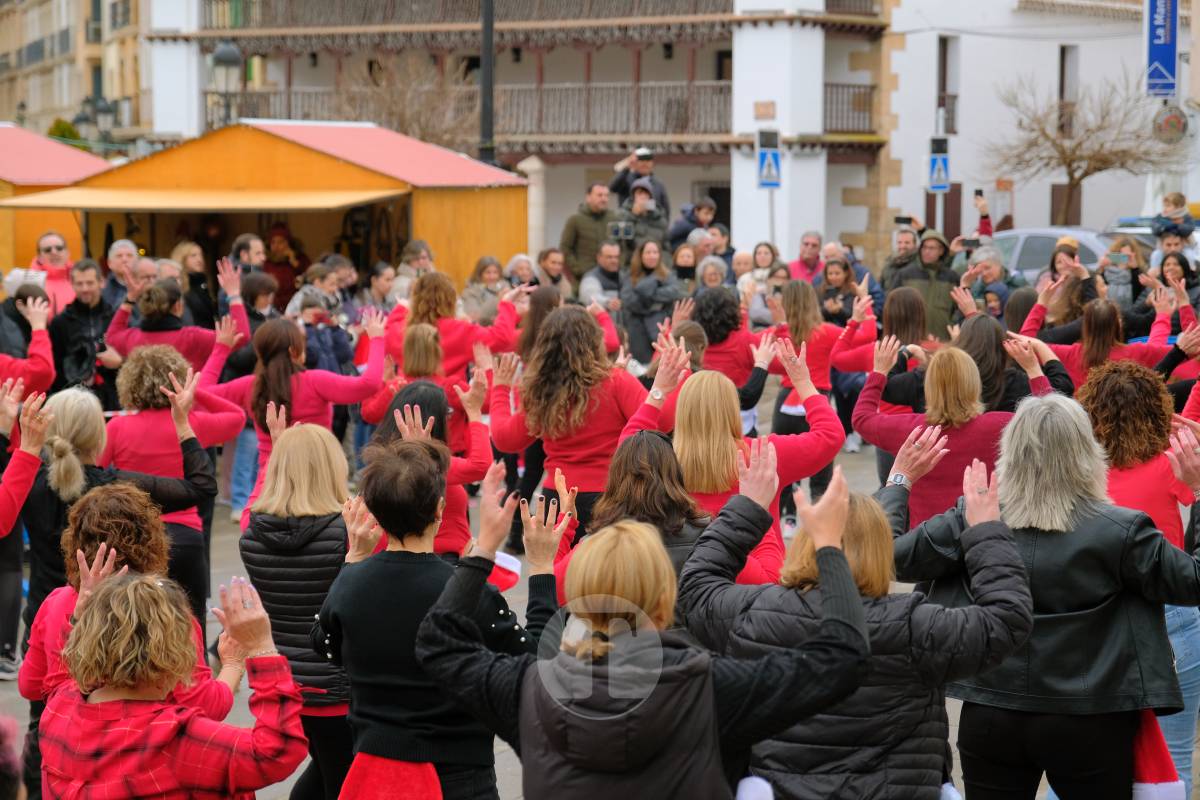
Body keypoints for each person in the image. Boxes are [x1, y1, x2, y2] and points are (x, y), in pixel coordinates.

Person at [414, 442, 871, 800]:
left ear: (578, 598)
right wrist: (828, 546)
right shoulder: (710, 689)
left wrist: (484, 547)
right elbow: (842, 658)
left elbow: (437, 641)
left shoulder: (528, 689)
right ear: (664, 601)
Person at [679, 435, 1033, 799]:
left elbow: (695, 588)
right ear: (882, 552)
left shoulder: (755, 614)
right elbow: (1007, 620)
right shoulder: (910, 626)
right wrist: (985, 532)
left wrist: (750, 504)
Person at [888, 396, 1200, 798]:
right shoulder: (1123, 531)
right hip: (1092, 716)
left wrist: (900, 480)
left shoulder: (975, 516)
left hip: (991, 710)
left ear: (1010, 453)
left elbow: (890, 557)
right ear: (1087, 452)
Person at [311, 448, 542, 800]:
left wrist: (354, 558)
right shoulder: (465, 591)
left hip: (377, 769)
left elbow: (324, 644)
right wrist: (542, 568)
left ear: (374, 510)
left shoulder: (352, 581)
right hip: (459, 773)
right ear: (439, 509)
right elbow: (537, 659)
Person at [20, 485, 243, 795]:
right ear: (151, 541)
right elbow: (207, 707)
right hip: (146, 775)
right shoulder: (167, 616)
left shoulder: (56, 602)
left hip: (70, 765)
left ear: (76, 543)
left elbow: (30, 686)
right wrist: (232, 662)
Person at [40, 574, 307, 796]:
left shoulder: (58, 709)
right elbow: (277, 752)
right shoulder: (175, 739)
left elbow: (65, 678)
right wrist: (261, 647)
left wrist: (82, 622)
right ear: (175, 648)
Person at [625, 341, 844, 583]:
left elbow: (627, 447)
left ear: (682, 410)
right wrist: (802, 382)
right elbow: (831, 436)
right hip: (759, 579)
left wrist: (658, 393)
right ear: (732, 410)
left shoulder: (661, 459)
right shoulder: (764, 454)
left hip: (686, 577)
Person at [243, 422, 354, 800]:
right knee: (341, 779)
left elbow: (255, 502)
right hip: (338, 684)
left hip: (289, 681)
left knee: (324, 770)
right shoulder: (348, 534)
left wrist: (275, 448)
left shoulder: (251, 534)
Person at [198, 311, 387, 529]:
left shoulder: (251, 386)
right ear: (294, 350)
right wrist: (377, 338)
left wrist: (221, 348)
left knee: (255, 531)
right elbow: (368, 384)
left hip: (271, 480)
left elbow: (201, 394)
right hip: (319, 478)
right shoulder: (315, 381)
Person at [99, 347, 244, 620]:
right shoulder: (192, 423)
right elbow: (237, 417)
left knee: (136, 621)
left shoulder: (117, 427)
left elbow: (97, 473)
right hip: (186, 534)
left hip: (135, 533)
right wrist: (193, 392)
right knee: (191, 623)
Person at [490, 306, 647, 542]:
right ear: (594, 341)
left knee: (556, 575)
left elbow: (505, 439)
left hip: (558, 498)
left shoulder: (542, 392)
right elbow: (661, 422)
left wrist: (500, 389)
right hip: (611, 495)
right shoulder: (617, 381)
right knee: (611, 576)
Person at [855, 339, 1049, 526]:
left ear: (929, 387)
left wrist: (879, 372)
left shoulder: (910, 431)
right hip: (983, 535)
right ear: (974, 383)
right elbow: (1050, 418)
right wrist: (1033, 369)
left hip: (927, 541)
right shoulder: (998, 425)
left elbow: (861, 418)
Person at [372, 372, 490, 559]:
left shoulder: (385, 459)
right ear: (434, 420)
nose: (449, 419)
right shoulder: (426, 463)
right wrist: (474, 412)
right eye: (447, 414)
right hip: (441, 560)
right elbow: (480, 466)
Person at [884, 315, 1074, 414]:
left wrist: (906, 352)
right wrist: (1040, 348)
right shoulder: (1011, 382)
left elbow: (887, 387)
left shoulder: (929, 378)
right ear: (1000, 348)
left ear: (961, 341)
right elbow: (1061, 392)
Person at [106, 261, 251, 372]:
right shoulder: (193, 338)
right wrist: (234, 294)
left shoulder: (134, 338)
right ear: (178, 306)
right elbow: (241, 336)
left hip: (144, 409)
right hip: (185, 409)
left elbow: (112, 336)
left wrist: (130, 299)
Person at [1020, 286, 1179, 387]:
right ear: (1118, 324)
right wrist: (1163, 316)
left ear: (1085, 326)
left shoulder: (1067, 354)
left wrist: (1041, 304)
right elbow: (1160, 349)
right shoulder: (1136, 352)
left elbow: (1024, 343)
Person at [384, 271, 520, 382]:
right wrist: (506, 304)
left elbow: (385, 334)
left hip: (406, 404)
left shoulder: (400, 330)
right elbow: (501, 337)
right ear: (451, 300)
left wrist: (400, 309)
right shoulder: (460, 330)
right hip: (450, 406)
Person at [48, 260, 119, 409]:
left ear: (101, 282)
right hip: (74, 401)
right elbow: (55, 367)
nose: (85, 288)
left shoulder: (116, 318)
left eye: (90, 283)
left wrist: (120, 361)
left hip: (113, 399)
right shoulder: (60, 323)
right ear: (72, 284)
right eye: (79, 284)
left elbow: (132, 356)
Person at [888, 229, 959, 339]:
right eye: (924, 247)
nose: (926, 251)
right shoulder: (905, 274)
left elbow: (958, 308)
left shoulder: (952, 277)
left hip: (943, 340)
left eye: (931, 248)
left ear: (941, 250)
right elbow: (892, 306)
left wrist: (951, 326)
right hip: (911, 339)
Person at [622, 239, 682, 364]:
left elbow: (673, 292)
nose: (652, 256)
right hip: (637, 329)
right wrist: (655, 303)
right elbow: (629, 300)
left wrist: (645, 292)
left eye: (655, 252)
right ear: (641, 255)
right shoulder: (630, 275)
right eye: (648, 252)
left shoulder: (667, 275)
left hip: (661, 327)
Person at [559, 183, 620, 281]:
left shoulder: (614, 219)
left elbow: (622, 245)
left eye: (606, 196)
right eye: (599, 195)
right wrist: (577, 269)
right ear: (588, 197)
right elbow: (565, 248)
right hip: (584, 277)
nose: (604, 199)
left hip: (611, 276)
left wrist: (618, 265)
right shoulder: (575, 220)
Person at [616, 178, 669, 266]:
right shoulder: (622, 215)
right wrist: (633, 216)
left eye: (646, 193)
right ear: (633, 197)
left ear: (651, 197)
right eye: (639, 193)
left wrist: (664, 264)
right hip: (631, 265)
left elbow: (666, 247)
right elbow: (619, 240)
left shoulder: (659, 218)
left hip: (656, 264)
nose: (643, 197)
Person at [609, 146, 670, 219]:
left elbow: (665, 209)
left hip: (652, 226)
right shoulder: (626, 179)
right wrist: (627, 168)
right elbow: (613, 188)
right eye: (641, 161)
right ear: (635, 163)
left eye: (648, 161)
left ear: (652, 163)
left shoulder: (658, 184)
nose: (644, 164)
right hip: (629, 224)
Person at [262, 223, 311, 312]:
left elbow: (310, 279)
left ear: (288, 243)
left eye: (280, 242)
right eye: (273, 242)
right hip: (272, 308)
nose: (276, 247)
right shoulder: (265, 262)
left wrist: (295, 263)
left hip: (296, 308)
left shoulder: (301, 259)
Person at [578, 241, 629, 326]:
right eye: (609, 257)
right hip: (600, 330)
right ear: (599, 258)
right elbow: (591, 297)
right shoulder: (590, 278)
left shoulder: (625, 277)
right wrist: (607, 302)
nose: (614, 260)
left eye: (616, 257)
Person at [171, 240, 217, 330]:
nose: (199, 259)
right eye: (193, 255)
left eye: (201, 255)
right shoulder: (177, 284)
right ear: (182, 258)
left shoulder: (203, 283)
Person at [27, 231, 74, 315]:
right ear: (39, 257)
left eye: (59, 248)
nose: (54, 252)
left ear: (67, 253)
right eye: (47, 250)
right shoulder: (30, 284)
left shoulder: (80, 280)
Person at [1098, 235, 1148, 310]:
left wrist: (1135, 269)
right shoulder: (1107, 272)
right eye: (1119, 255)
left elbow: (1140, 296)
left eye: (1127, 256)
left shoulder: (1138, 273)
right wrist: (1102, 269)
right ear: (1113, 254)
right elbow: (1097, 291)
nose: (1123, 259)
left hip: (1130, 317)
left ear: (1134, 255)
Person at [459, 256, 506, 325]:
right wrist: (497, 299)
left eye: (495, 272)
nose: (492, 277)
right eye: (488, 272)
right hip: (482, 330)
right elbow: (475, 316)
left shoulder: (505, 287)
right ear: (479, 274)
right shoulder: (470, 292)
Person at [816, 256, 857, 325]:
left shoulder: (853, 291)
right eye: (830, 274)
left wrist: (839, 310)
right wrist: (826, 309)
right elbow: (814, 314)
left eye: (837, 273)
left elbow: (852, 315)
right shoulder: (820, 291)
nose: (833, 277)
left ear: (846, 273)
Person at [100, 239, 138, 310]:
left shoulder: (145, 286)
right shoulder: (102, 289)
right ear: (109, 263)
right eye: (119, 256)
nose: (124, 259)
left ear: (137, 261)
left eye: (129, 256)